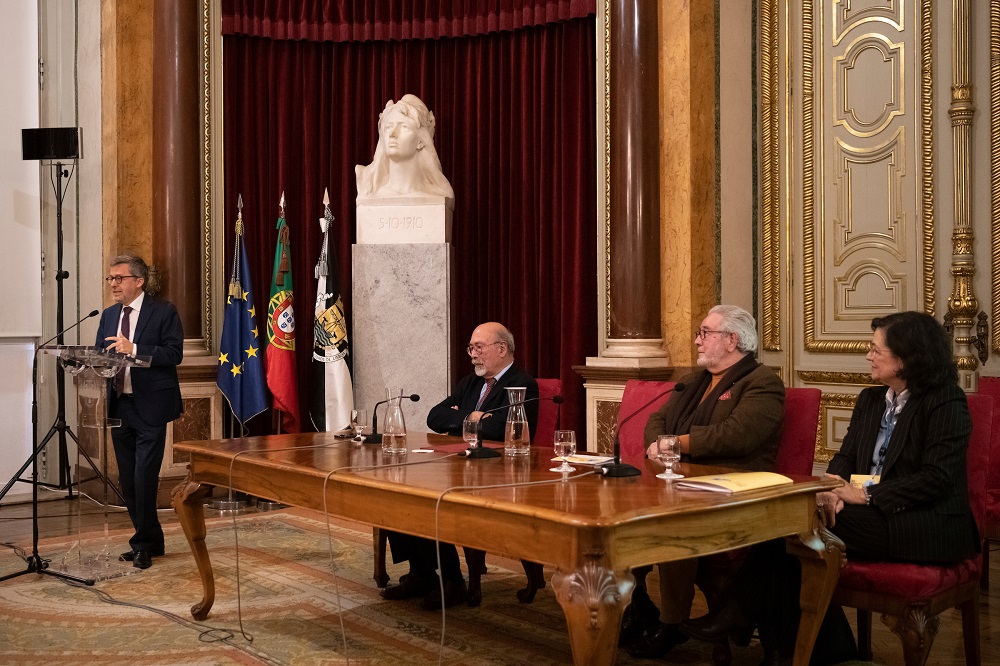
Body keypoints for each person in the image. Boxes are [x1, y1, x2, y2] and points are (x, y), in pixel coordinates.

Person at [681, 311, 980, 664]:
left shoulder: (945, 401)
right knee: (790, 536)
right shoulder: (871, 399)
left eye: (875, 349)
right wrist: (830, 489)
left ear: (906, 357)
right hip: (867, 514)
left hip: (924, 522)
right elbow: (845, 458)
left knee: (791, 529)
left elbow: (937, 478)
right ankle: (805, 649)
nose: (868, 356)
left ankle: (747, 617)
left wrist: (864, 495)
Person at [625, 305, 785, 659]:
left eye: (704, 333)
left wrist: (672, 444)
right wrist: (659, 441)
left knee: (675, 525)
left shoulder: (762, 382)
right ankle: (634, 606)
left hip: (734, 490)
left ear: (731, 340)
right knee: (622, 517)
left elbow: (737, 436)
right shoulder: (694, 380)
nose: (697, 340)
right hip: (679, 482)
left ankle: (671, 624)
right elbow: (658, 417)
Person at [380, 322, 538, 610]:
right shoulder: (470, 383)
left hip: (498, 473)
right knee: (399, 489)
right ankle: (423, 574)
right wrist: (475, 417)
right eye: (470, 348)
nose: (473, 355)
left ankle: (453, 580)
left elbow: (504, 428)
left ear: (501, 349)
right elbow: (434, 417)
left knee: (432, 502)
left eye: (479, 348)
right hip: (460, 465)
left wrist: (463, 418)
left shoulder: (521, 383)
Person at [95, 255, 183, 570]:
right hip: (120, 404)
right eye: (110, 279)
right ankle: (151, 541)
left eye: (119, 278)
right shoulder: (107, 316)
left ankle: (143, 545)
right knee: (129, 482)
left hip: (151, 406)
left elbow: (175, 353)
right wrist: (94, 364)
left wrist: (133, 349)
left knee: (144, 477)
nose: (114, 284)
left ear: (139, 281)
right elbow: (100, 355)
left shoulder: (163, 311)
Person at [355, 94, 455, 202]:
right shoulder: (367, 189)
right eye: (388, 127)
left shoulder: (438, 196)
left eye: (404, 127)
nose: (392, 134)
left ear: (421, 141)